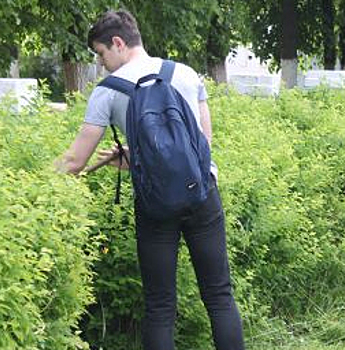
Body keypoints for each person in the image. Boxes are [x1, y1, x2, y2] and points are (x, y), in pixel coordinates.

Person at [55, 10, 245, 350]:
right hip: (202, 193)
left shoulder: (108, 91)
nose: (102, 64)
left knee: (159, 307)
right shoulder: (185, 74)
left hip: (156, 206)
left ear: (117, 43)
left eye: (100, 54)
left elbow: (74, 161)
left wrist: (35, 185)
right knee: (219, 296)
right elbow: (201, 143)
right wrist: (137, 153)